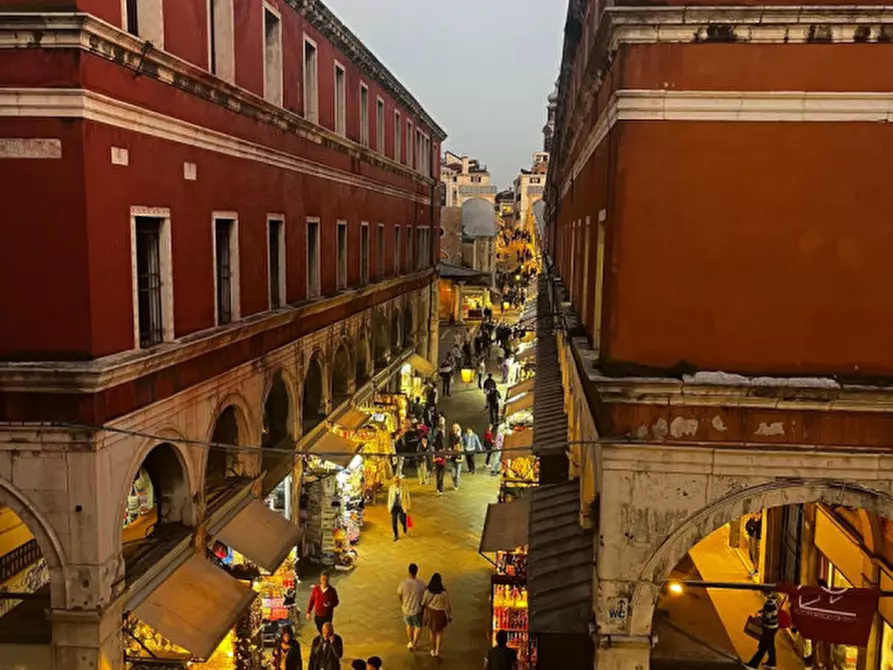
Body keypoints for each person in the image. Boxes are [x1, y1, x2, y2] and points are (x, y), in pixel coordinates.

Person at [422, 573, 452, 658]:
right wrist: (449, 616)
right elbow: (447, 606)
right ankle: (438, 651)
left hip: (431, 613)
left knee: (432, 632)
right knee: (440, 632)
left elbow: (423, 603)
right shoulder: (444, 593)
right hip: (440, 614)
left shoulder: (428, 591)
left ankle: (433, 649)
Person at [398, 563, 427, 650]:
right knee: (418, 626)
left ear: (409, 571)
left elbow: (399, 594)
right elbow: (425, 596)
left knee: (409, 625)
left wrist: (402, 603)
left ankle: (410, 641)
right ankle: (415, 643)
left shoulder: (403, 583)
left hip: (406, 609)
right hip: (417, 609)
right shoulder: (421, 584)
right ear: (416, 572)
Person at [745, 596, 779, 670]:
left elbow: (767, 616)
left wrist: (760, 618)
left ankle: (753, 665)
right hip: (773, 628)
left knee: (763, 647)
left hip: (768, 628)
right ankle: (772, 663)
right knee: (770, 646)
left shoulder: (769, 603)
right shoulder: (774, 602)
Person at [387, 475, 411, 541]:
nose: (396, 483)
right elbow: (389, 499)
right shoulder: (391, 488)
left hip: (401, 506)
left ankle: (405, 525)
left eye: (398, 481)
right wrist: (389, 507)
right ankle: (396, 535)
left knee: (402, 519)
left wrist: (408, 506)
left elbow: (407, 497)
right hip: (394, 507)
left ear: (400, 481)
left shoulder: (404, 487)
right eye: (395, 482)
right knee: (394, 522)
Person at [448, 423, 463, 490]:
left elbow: (461, 449)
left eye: (455, 428)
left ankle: (456, 485)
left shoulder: (459, 438)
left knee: (457, 475)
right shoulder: (451, 435)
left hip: (458, 458)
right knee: (453, 475)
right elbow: (449, 443)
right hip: (452, 458)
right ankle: (455, 482)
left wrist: (461, 458)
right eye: (453, 428)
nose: (454, 429)